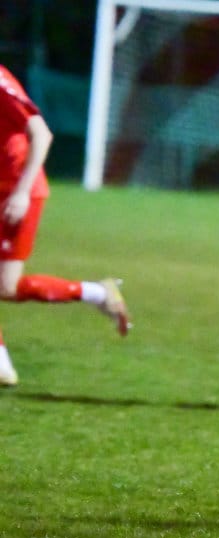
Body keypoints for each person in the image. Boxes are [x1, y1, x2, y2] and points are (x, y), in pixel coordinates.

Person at [0, 64, 130, 386]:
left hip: (17, 192)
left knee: (7, 287)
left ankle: (98, 293)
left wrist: (21, 192)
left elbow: (42, 135)